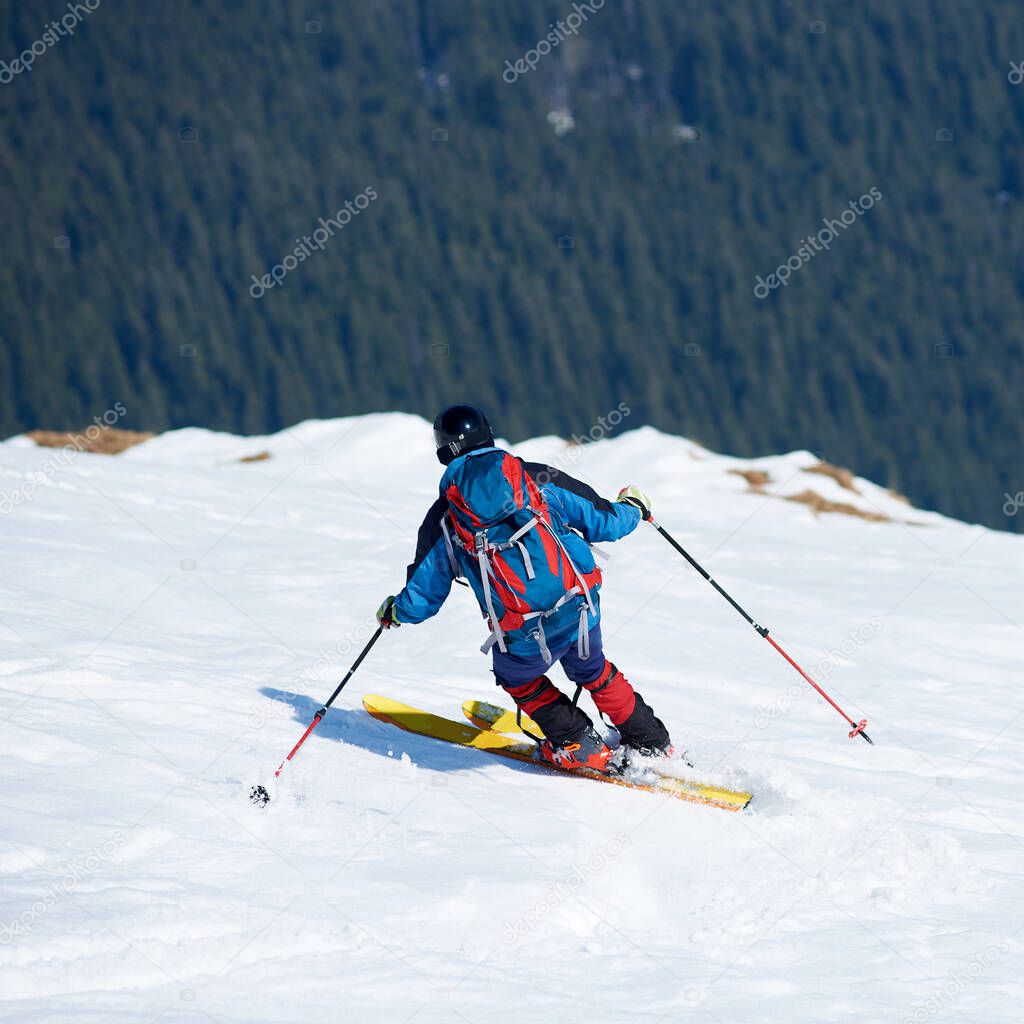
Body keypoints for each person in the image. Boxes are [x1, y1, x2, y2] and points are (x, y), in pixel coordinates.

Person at [376, 403, 672, 773]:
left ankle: (577, 743)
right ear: (489, 433)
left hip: (521, 628)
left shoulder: (446, 518)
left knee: (517, 675)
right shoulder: (537, 479)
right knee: (592, 668)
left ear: (442, 451)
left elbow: (423, 596)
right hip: (579, 604)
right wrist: (633, 507)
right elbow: (605, 523)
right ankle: (652, 743)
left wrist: (395, 611)